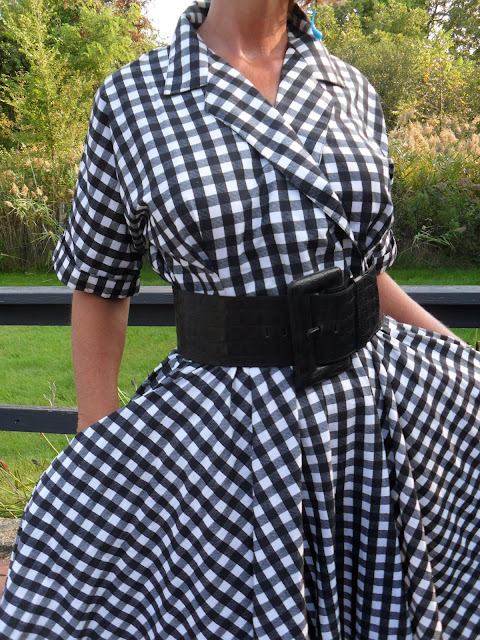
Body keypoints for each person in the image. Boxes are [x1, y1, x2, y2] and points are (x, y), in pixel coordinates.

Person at [1, 0, 479, 637]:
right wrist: (99, 456)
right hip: (228, 433)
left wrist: (456, 353)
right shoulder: (133, 97)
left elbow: (365, 272)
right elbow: (99, 287)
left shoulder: (351, 89)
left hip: (369, 413)